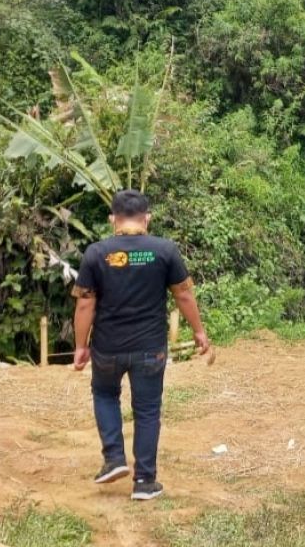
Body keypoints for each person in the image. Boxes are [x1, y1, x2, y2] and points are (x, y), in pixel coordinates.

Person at [72, 189, 210, 501]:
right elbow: (184, 295)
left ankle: (114, 459)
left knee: (105, 394)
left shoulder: (96, 253)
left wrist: (81, 346)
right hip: (151, 347)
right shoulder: (164, 250)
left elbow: (84, 306)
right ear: (147, 217)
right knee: (147, 410)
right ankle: (145, 481)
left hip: (107, 347)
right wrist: (199, 331)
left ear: (113, 219)